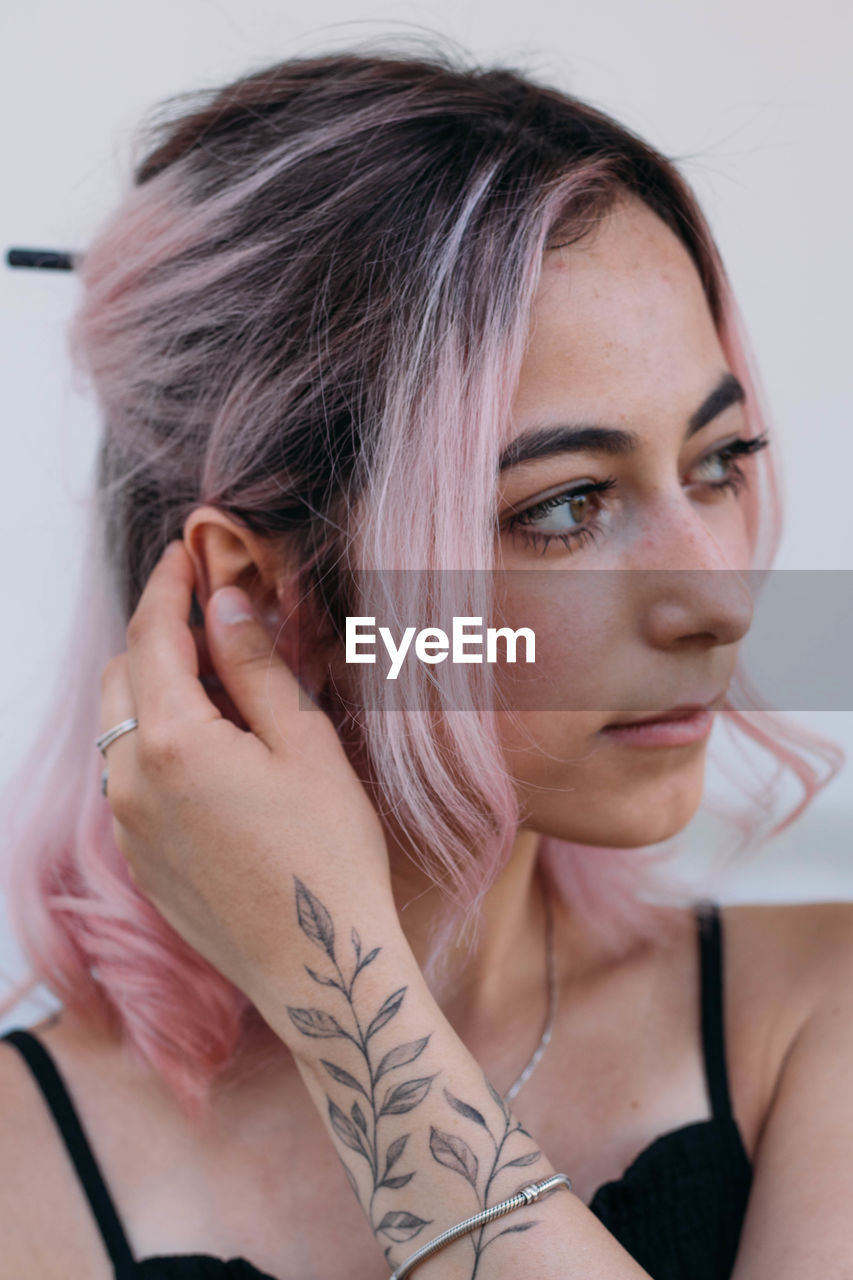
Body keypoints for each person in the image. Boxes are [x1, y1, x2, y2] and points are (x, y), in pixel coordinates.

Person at [1, 40, 851, 1280]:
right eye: (563, 504)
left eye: (718, 461)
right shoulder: (21, 1167)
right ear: (252, 590)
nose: (717, 601)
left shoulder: (814, 1009)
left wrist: (338, 997)